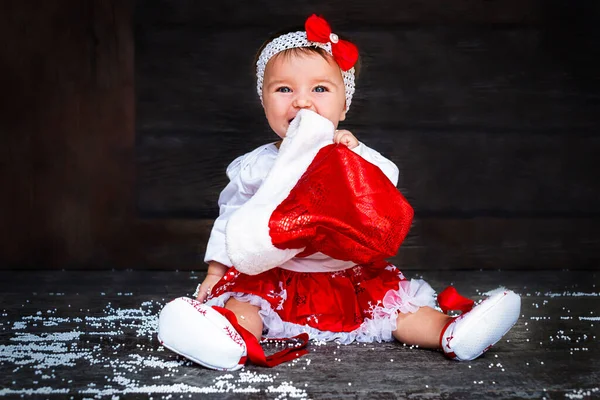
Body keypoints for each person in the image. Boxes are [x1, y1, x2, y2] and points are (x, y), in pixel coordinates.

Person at [157, 14, 521, 371]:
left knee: (400, 313)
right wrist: (215, 272)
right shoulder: (255, 166)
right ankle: (226, 341)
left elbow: (383, 193)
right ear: (264, 102)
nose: (301, 101)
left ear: (344, 104)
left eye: (319, 89)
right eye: (284, 89)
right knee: (243, 307)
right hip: (276, 275)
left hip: (348, 278)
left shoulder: (351, 153)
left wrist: (351, 158)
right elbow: (231, 220)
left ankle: (452, 332)